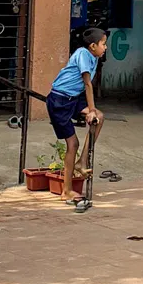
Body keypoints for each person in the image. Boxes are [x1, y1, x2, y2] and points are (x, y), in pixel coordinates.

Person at [47, 27, 107, 204]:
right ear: (93, 45)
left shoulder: (94, 58)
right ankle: (66, 190)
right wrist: (91, 110)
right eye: (103, 44)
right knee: (72, 143)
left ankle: (82, 161)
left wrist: (94, 112)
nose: (105, 48)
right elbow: (87, 84)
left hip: (73, 99)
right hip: (59, 100)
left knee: (100, 118)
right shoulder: (82, 54)